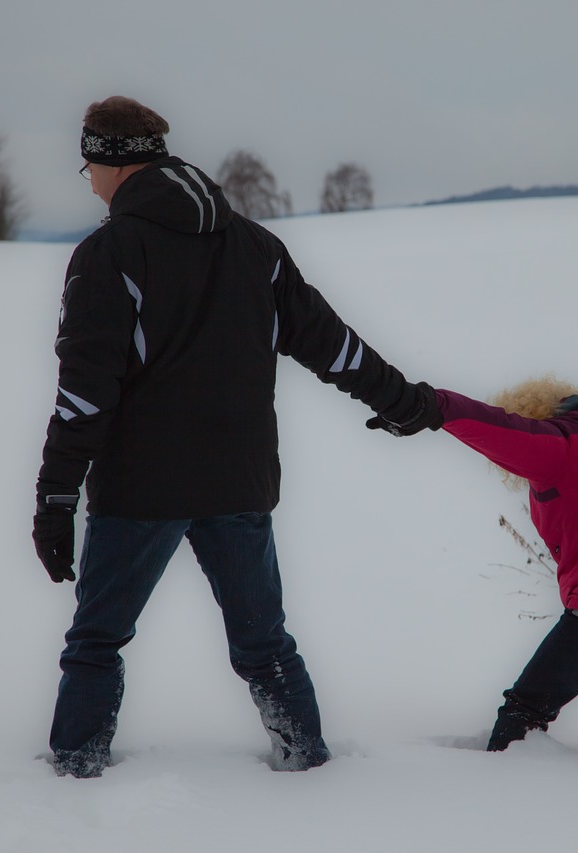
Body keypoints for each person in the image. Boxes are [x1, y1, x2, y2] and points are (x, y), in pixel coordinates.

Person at [32, 96, 438, 779]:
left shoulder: (110, 254)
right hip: (238, 482)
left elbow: (83, 395)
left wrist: (55, 496)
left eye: (88, 167)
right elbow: (332, 345)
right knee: (265, 643)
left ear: (113, 162)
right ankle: (306, 762)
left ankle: (74, 769)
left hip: (141, 490)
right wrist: (400, 401)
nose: (90, 182)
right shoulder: (255, 246)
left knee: (97, 640)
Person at [367, 375, 578, 769]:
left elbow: (501, 430)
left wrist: (432, 404)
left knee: (524, 712)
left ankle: (507, 805)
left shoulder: (564, 444)